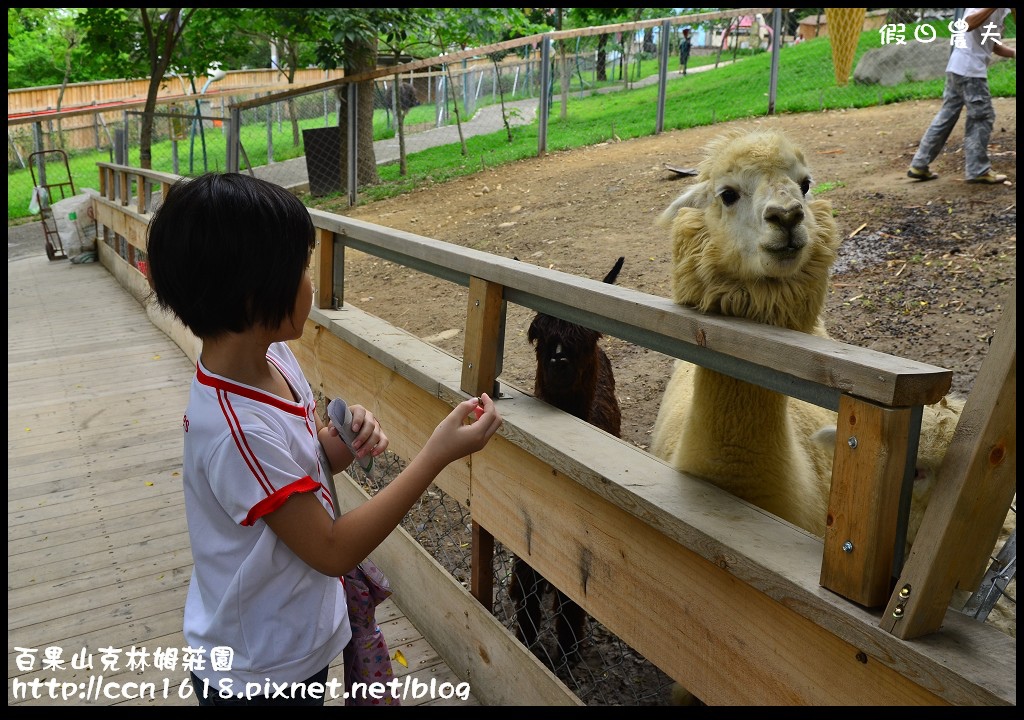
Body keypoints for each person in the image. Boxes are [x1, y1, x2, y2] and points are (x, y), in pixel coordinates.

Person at [144, 172, 503, 706]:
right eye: (302, 269)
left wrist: (343, 444)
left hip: (287, 640)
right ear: (253, 295)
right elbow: (332, 550)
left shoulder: (272, 359)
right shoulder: (236, 429)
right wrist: (436, 455)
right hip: (260, 672)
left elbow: (300, 463)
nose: (310, 282)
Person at [907, 8, 1016, 184]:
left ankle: (919, 164)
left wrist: (1013, 53)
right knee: (982, 117)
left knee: (947, 115)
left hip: (958, 68)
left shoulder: (1002, 12)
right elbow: (967, 24)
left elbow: (992, 44)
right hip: (969, 70)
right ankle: (977, 170)